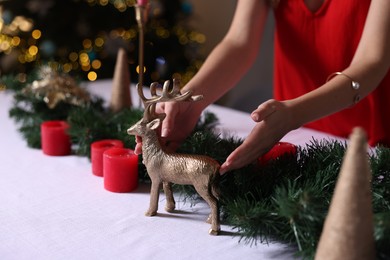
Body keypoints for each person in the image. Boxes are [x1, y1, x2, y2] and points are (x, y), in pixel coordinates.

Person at [135, 0, 390, 174]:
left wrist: (293, 114)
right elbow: (239, 43)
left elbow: (372, 62)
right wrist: (191, 100)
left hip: (372, 148)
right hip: (291, 139)